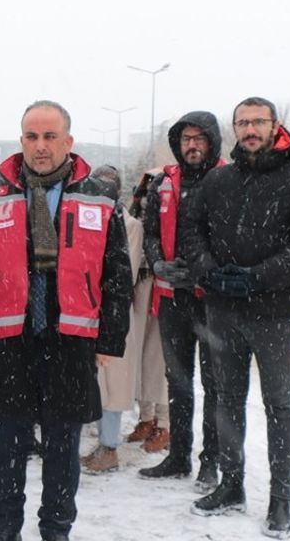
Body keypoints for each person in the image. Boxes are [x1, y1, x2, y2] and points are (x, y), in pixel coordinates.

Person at [0, 100, 131, 541]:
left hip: (71, 340)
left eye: (50, 137)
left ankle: (56, 527)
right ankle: (6, 526)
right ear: (21, 141)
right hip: (9, 340)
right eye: (32, 137)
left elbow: (116, 275)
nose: (41, 146)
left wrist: (110, 340)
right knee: (7, 448)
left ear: (68, 142)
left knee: (61, 448)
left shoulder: (100, 196)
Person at [185, 97, 290, 539]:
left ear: (274, 126)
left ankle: (280, 501)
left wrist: (259, 277)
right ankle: (231, 485)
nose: (250, 129)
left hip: (275, 314)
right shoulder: (218, 180)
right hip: (223, 310)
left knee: (278, 405)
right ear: (234, 129)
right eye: (242, 122)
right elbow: (192, 231)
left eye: (257, 122)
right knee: (227, 399)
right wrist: (210, 272)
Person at [138, 112, 225, 488]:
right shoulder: (163, 182)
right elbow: (150, 231)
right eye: (186, 139)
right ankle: (178, 457)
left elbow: (237, 238)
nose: (192, 145)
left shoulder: (229, 181)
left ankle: (210, 462)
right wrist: (158, 262)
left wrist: (207, 271)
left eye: (199, 139)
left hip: (213, 300)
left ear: (212, 142)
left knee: (215, 384)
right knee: (178, 381)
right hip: (173, 297)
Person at [79, 164, 145, 475]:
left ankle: (110, 447)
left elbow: (125, 271)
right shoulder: (85, 217)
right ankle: (101, 443)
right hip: (85, 309)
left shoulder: (130, 225)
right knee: (93, 381)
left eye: (109, 184)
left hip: (113, 311)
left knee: (113, 381)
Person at [121, 171, 169, 454]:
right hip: (140, 288)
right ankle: (146, 419)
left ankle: (165, 423)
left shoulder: (171, 217)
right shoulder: (136, 216)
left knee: (159, 359)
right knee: (138, 358)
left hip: (162, 288)